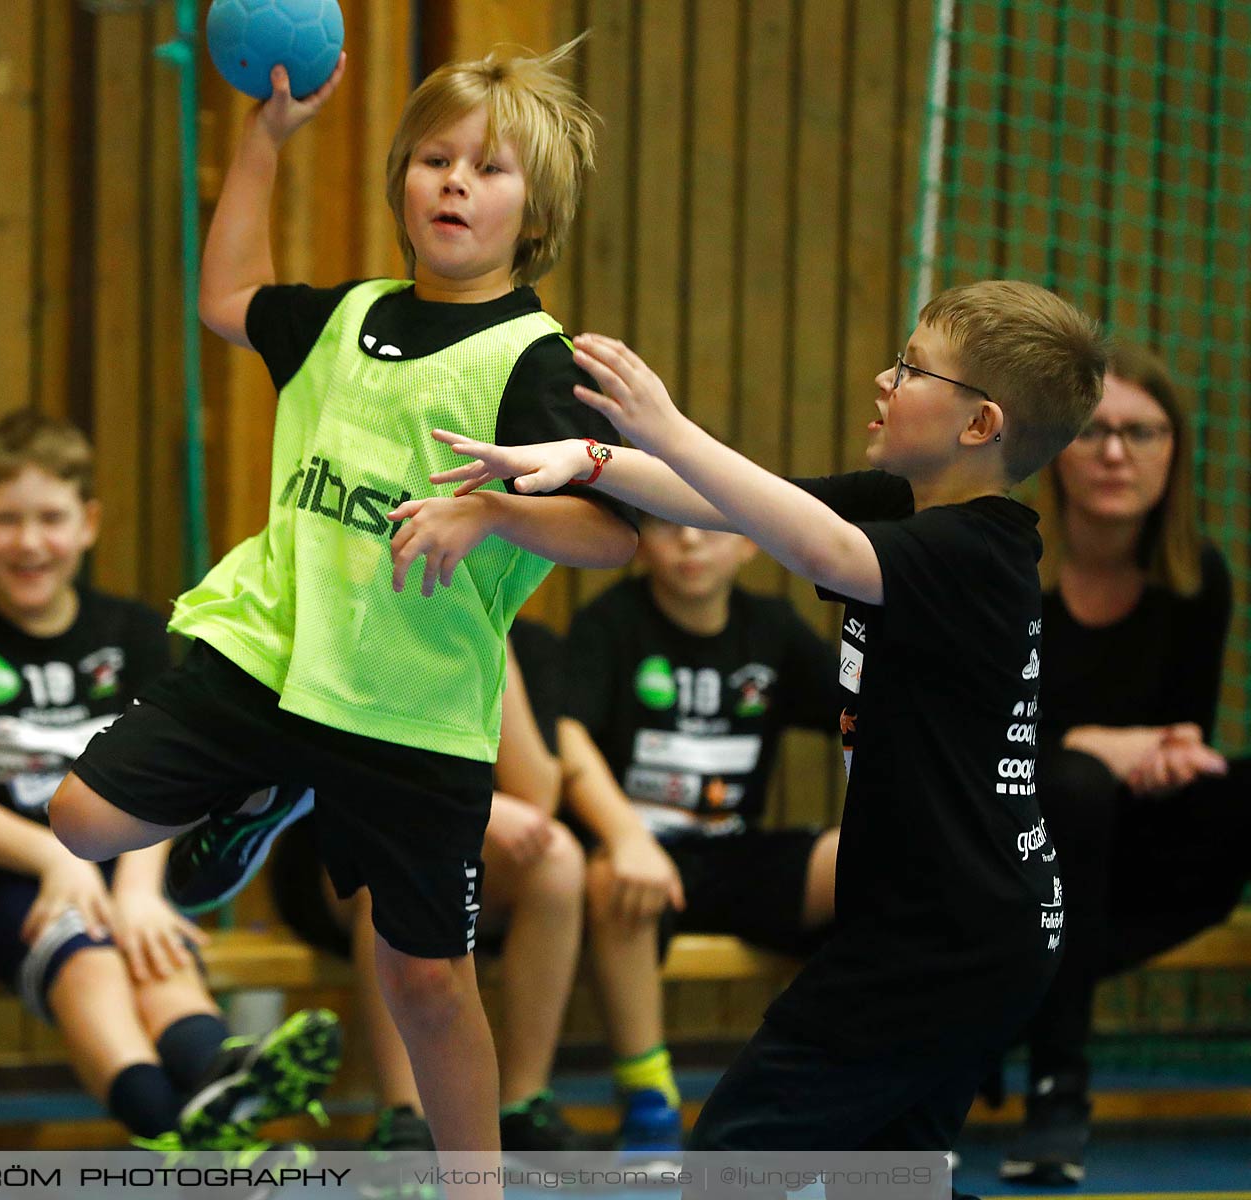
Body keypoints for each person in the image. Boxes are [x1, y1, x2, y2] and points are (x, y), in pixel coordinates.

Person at [44, 38, 639, 1186]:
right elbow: (225, 296)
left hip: (412, 708)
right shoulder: (342, 316)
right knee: (81, 820)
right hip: (272, 653)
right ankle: (270, 785)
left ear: (538, 211)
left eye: (489, 169)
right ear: (402, 185)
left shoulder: (537, 361)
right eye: (433, 158)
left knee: (427, 980)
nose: (455, 181)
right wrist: (263, 141)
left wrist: (495, 517)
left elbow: (615, 533)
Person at [430, 279, 1106, 1194]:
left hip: (946, 939)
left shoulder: (980, 554)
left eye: (909, 368)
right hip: (957, 926)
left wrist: (665, 424)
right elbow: (730, 501)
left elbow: (821, 551)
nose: (882, 377)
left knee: (730, 1165)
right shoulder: (901, 502)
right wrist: (588, 458)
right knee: (890, 1181)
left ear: (979, 424)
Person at [0, 409, 338, 1154]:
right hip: (5, 884)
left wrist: (137, 889)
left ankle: (219, 1077)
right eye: (6, 520)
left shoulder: (129, 631)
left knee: (152, 945)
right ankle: (183, 1127)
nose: (29, 541)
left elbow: (169, 780)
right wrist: (54, 860)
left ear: (88, 522)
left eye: (50, 518)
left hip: (129, 864)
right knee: (90, 957)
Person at [1000, 341, 1244, 1185]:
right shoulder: (1009, 569)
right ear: (1053, 448)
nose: (1114, 453)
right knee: (1074, 784)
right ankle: (1056, 1089)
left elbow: (1183, 734)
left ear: (1173, 452)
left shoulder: (1197, 578)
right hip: (1017, 843)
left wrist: (1172, 755)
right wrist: (1085, 744)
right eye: (1094, 431)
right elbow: (977, 743)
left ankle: (1018, 990)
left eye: (1141, 433)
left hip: (1139, 849)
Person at [559, 515, 842, 1155]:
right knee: (609, 878)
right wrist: (627, 837)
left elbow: (859, 712)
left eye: (709, 524)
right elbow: (566, 733)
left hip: (736, 853)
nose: (688, 541)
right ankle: (648, 1096)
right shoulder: (611, 622)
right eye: (664, 523)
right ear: (637, 538)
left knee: (865, 864)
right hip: (639, 858)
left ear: (748, 539)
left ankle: (846, 1078)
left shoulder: (771, 627)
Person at [268, 631, 603, 1164]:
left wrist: (494, 640)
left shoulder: (528, 645)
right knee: (395, 859)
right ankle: (405, 1117)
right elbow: (346, 771)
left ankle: (521, 1102)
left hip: (464, 850)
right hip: (340, 854)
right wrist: (483, 807)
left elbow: (537, 797)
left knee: (558, 859)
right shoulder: (359, 621)